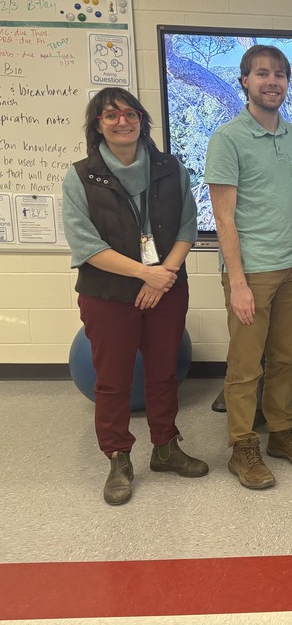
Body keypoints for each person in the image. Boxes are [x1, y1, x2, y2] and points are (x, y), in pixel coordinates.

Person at [62, 87, 208, 505]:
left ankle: (165, 449)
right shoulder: (81, 176)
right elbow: (86, 245)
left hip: (166, 288)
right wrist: (147, 274)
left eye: (130, 113)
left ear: (142, 120)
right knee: (112, 381)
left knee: (163, 373)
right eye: (111, 115)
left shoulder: (170, 168)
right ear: (97, 126)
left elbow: (187, 226)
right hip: (108, 292)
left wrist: (164, 276)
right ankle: (118, 457)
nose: (122, 121)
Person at [205, 45, 292, 491]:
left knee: (285, 358)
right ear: (245, 82)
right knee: (245, 365)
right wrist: (237, 283)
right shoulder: (227, 139)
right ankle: (242, 446)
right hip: (252, 273)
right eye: (262, 73)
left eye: (279, 74)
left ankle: (280, 432)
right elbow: (223, 218)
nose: (272, 81)